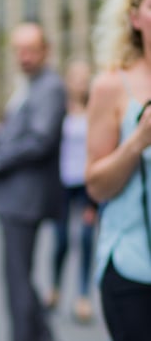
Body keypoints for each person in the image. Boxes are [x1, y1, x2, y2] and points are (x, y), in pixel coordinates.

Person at [85, 0, 151, 341]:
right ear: (135, 17)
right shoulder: (114, 86)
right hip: (133, 266)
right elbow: (97, 183)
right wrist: (138, 140)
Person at [0, 22, 67, 341]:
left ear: (46, 50)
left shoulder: (50, 87)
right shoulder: (34, 85)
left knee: (16, 276)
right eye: (20, 50)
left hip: (25, 195)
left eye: (31, 50)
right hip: (18, 193)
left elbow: (40, 140)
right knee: (22, 275)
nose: (24, 57)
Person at [46, 60, 98, 323]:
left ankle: (83, 296)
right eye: (76, 77)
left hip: (86, 184)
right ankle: (55, 288)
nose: (81, 82)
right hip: (62, 183)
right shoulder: (60, 110)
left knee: (88, 238)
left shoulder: (96, 111)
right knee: (62, 239)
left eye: (85, 77)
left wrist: (95, 198)